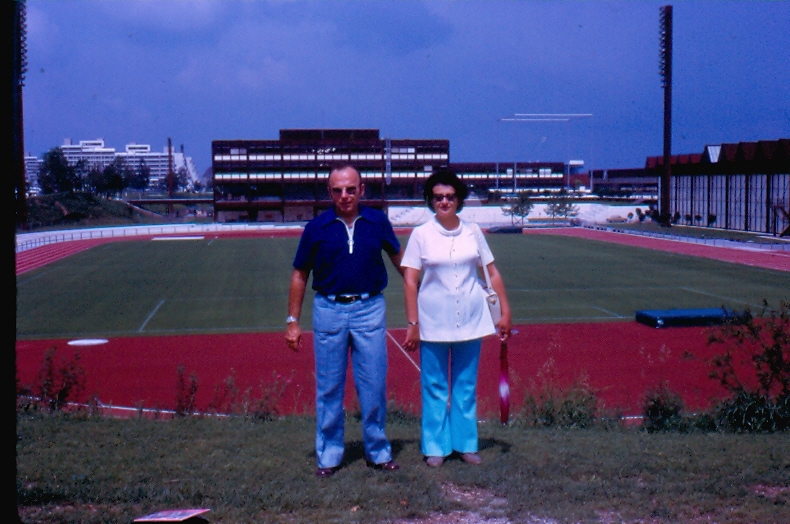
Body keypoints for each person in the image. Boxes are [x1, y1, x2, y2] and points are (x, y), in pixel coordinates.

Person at [285, 164, 404, 477]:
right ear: (329, 193)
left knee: (374, 384)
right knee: (329, 388)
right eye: (337, 190)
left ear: (362, 189)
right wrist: (292, 321)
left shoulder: (378, 222)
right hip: (329, 310)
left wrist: (427, 295)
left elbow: (402, 265)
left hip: (370, 309)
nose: (345, 195)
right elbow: (300, 274)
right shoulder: (316, 228)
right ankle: (329, 455)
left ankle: (378, 452)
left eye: (351, 188)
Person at [401, 170, 512, 468]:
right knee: (434, 385)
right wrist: (413, 323)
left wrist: (505, 312)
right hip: (432, 321)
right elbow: (410, 281)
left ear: (459, 199)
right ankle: (435, 447)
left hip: (471, 319)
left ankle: (466, 444)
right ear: (430, 201)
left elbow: (492, 273)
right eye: (438, 197)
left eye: (450, 197)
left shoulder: (472, 232)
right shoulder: (421, 235)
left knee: (465, 385)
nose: (444, 202)